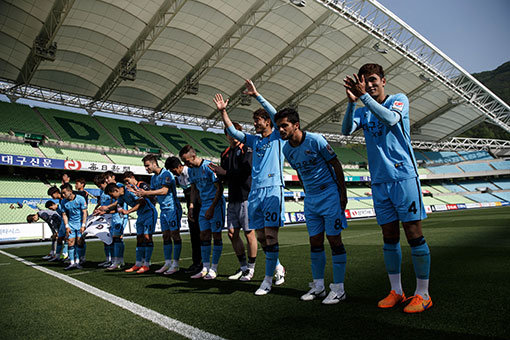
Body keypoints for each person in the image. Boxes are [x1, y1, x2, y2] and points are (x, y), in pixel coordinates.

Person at [342, 63, 431, 313]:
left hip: (403, 176)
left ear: (383, 80)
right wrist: (352, 103)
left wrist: (363, 98)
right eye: (363, 80)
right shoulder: (363, 109)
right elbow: (346, 130)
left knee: (414, 234)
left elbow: (391, 118)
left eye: (372, 80)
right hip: (380, 181)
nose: (368, 84)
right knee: (389, 237)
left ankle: (423, 294)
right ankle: (397, 291)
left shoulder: (398, 100)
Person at [214, 79, 286, 296]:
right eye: (254, 120)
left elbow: (277, 115)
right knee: (262, 237)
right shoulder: (255, 141)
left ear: (267, 121)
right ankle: (278, 266)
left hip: (272, 188)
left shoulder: (277, 137)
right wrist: (223, 112)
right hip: (255, 193)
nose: (255, 123)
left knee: (270, 236)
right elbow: (234, 134)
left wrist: (257, 96)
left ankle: (266, 280)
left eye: (258, 120)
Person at [275, 108, 349, 304]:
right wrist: (307, 192)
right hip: (312, 199)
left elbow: (336, 164)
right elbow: (300, 172)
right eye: (279, 126)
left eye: (284, 125)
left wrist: (343, 194)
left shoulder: (316, 140)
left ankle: (339, 289)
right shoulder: (286, 150)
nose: (281, 130)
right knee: (315, 242)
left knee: (334, 241)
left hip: (330, 194)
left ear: (296, 125)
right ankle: (319, 286)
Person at [208, 122, 258, 281]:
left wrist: (225, 172)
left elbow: (246, 171)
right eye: (230, 133)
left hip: (246, 196)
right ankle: (243, 267)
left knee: (249, 233)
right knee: (231, 233)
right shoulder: (225, 154)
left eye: (236, 132)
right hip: (233, 197)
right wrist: (218, 173)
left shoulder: (247, 148)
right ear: (226, 135)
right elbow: (225, 177)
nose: (233, 135)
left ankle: (251, 268)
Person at [179, 145, 225, 280]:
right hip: (203, 205)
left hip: (215, 205)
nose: (185, 164)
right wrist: (191, 206)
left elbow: (219, 189)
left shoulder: (209, 167)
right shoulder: (192, 171)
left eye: (186, 161)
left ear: (193, 156)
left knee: (216, 235)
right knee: (203, 235)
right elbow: (194, 189)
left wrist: (212, 207)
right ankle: (205, 267)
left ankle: (214, 268)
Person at [132, 155, 182, 275]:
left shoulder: (166, 174)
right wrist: (140, 193)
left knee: (175, 235)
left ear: (155, 163)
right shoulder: (154, 178)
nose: (146, 168)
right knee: (165, 236)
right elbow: (153, 195)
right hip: (163, 210)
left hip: (172, 209)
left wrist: (146, 192)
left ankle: (175, 264)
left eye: (147, 165)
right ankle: (167, 263)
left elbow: (164, 191)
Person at [103, 179, 158, 274]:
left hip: (149, 213)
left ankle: (147, 264)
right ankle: (138, 263)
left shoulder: (129, 190)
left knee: (147, 237)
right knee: (139, 238)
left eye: (111, 195)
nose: (111, 197)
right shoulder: (120, 196)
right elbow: (118, 209)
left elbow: (142, 202)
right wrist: (104, 211)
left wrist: (128, 211)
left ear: (115, 190)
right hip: (140, 215)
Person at [165, 157, 202, 275]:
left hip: (199, 204)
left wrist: (193, 205)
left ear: (179, 166)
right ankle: (196, 263)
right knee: (194, 236)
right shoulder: (179, 177)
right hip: (191, 205)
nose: (173, 173)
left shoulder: (191, 172)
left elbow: (195, 190)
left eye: (173, 170)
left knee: (202, 235)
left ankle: (203, 264)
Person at [93, 173, 127, 270]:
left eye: (108, 178)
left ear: (113, 177)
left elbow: (117, 202)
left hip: (118, 214)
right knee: (112, 238)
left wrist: (106, 209)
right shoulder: (106, 190)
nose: (107, 180)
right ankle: (115, 260)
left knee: (117, 238)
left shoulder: (119, 187)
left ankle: (117, 260)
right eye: (105, 179)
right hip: (112, 214)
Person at [60, 183, 88, 270]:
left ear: (70, 191)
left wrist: (83, 225)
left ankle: (79, 261)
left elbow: (84, 213)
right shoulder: (64, 202)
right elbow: (64, 214)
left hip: (80, 223)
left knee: (79, 242)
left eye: (64, 193)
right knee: (70, 242)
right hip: (71, 223)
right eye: (62, 193)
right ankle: (72, 263)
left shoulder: (80, 199)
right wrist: (67, 226)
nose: (63, 195)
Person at [47, 186, 68, 261]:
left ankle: (65, 254)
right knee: (60, 238)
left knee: (67, 238)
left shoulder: (65, 199)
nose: (52, 197)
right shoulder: (60, 201)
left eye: (52, 195)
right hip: (63, 221)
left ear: (56, 193)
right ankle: (58, 256)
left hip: (68, 220)